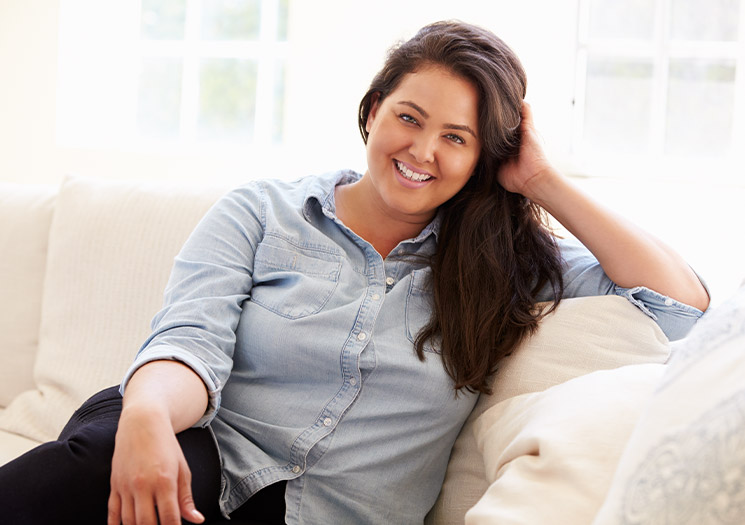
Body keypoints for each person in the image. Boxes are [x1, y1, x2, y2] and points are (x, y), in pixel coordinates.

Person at [0, 20, 708, 525]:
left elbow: (679, 306)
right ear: (372, 113)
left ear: (483, 158)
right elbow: (191, 340)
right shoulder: (265, 211)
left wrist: (544, 179)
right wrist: (147, 414)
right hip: (196, 450)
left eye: (456, 138)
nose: (423, 149)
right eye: (408, 116)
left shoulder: (506, 264)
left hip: (334, 510)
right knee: (104, 463)